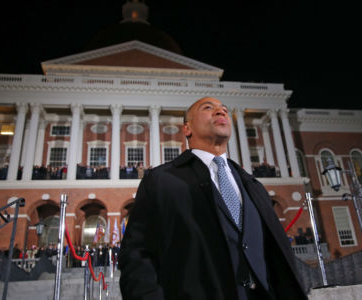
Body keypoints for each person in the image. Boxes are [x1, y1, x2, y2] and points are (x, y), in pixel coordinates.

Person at [118, 97, 307, 300]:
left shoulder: (253, 186)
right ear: (187, 129)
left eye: (224, 109)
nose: (221, 112)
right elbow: (137, 256)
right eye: (208, 108)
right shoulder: (160, 181)